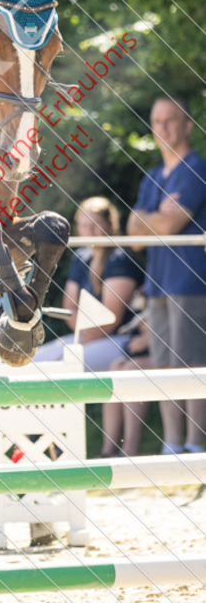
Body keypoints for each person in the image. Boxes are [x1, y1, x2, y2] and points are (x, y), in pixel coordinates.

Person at [127, 95, 206, 454]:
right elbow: (134, 236)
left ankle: (194, 445)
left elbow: (173, 223)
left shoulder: (195, 169)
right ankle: (171, 446)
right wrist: (151, 221)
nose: (163, 128)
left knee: (190, 364)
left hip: (189, 280)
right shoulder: (153, 176)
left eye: (171, 120)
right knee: (162, 367)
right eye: (156, 121)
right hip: (157, 281)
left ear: (188, 125)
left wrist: (151, 221)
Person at [33, 196, 144, 371]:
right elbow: (70, 307)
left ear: (111, 225)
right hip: (86, 335)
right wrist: (82, 337)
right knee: (36, 362)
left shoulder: (120, 259)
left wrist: (80, 344)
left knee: (62, 367)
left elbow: (110, 321)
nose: (89, 231)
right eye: (84, 226)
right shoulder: (81, 257)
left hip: (120, 338)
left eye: (96, 225)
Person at [99, 305, 152, 458]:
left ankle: (130, 449)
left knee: (131, 370)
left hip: (169, 353)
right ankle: (108, 449)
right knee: (116, 367)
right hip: (145, 348)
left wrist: (149, 338)